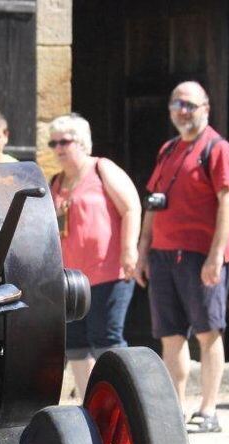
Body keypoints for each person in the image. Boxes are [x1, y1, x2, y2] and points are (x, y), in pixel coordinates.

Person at [133, 82, 229, 434]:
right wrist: (143, 251)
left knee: (209, 333)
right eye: (177, 103)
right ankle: (175, 412)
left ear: (205, 108)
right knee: (171, 336)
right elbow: (153, 202)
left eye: (190, 105)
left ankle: (208, 410)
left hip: (199, 256)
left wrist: (216, 255)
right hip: (164, 256)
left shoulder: (217, 148)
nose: (183, 110)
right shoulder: (168, 150)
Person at [48, 113, 141, 397]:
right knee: (75, 344)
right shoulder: (55, 182)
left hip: (108, 272)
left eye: (65, 141)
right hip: (71, 279)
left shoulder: (102, 169)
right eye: (53, 143)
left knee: (106, 340)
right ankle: (92, 405)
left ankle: (121, 400)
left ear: (83, 142)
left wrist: (129, 250)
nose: (59, 148)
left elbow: (131, 208)